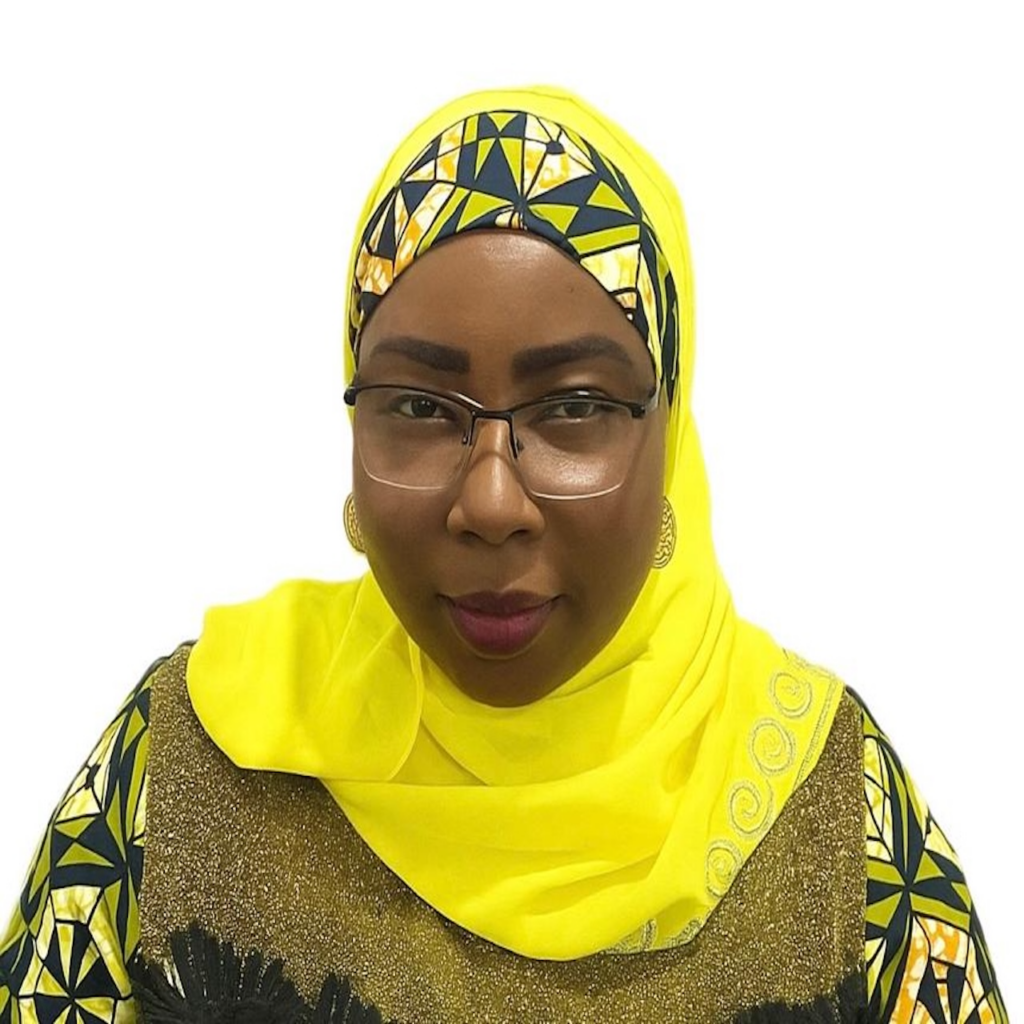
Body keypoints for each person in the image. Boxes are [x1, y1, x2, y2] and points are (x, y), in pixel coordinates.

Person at [0, 86, 1005, 1024]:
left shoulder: (834, 808)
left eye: (574, 406)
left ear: (671, 436)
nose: (489, 503)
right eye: (418, 406)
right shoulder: (189, 758)